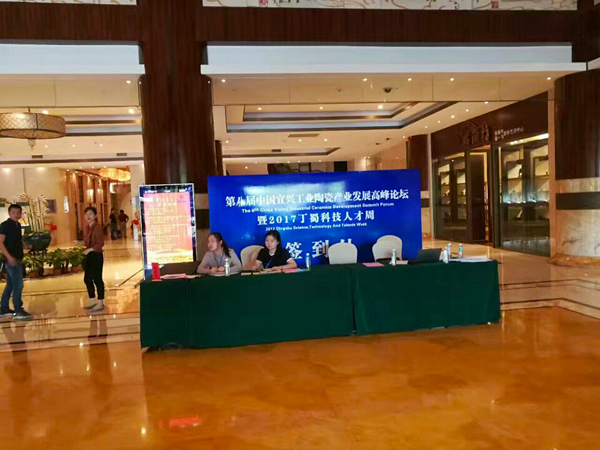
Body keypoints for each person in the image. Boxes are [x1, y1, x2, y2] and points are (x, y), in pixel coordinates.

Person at [0, 204, 33, 321]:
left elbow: (16, 240)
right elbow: (0, 243)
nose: (16, 214)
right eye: (14, 212)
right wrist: (9, 257)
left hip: (17, 258)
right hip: (11, 259)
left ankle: (3, 309)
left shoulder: (17, 225)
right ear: (9, 213)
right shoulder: (5, 226)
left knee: (10, 284)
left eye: (18, 212)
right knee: (18, 285)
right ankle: (18, 310)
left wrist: (24, 246)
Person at [82, 207, 106, 313]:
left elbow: (100, 243)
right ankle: (92, 300)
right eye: (86, 214)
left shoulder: (97, 227)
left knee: (97, 279)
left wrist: (89, 250)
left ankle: (100, 302)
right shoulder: (88, 227)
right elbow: (88, 241)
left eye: (90, 214)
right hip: (89, 256)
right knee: (87, 279)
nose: (88, 216)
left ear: (95, 215)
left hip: (96, 255)